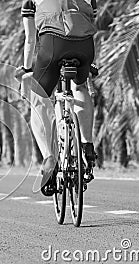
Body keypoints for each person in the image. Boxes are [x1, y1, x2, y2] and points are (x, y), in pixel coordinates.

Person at [16, 0, 98, 196]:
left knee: (38, 99)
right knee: (80, 87)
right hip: (85, 48)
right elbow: (88, 24)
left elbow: (30, 40)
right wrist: (90, 64)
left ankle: (49, 159)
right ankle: (87, 145)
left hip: (53, 45)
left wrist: (27, 70)